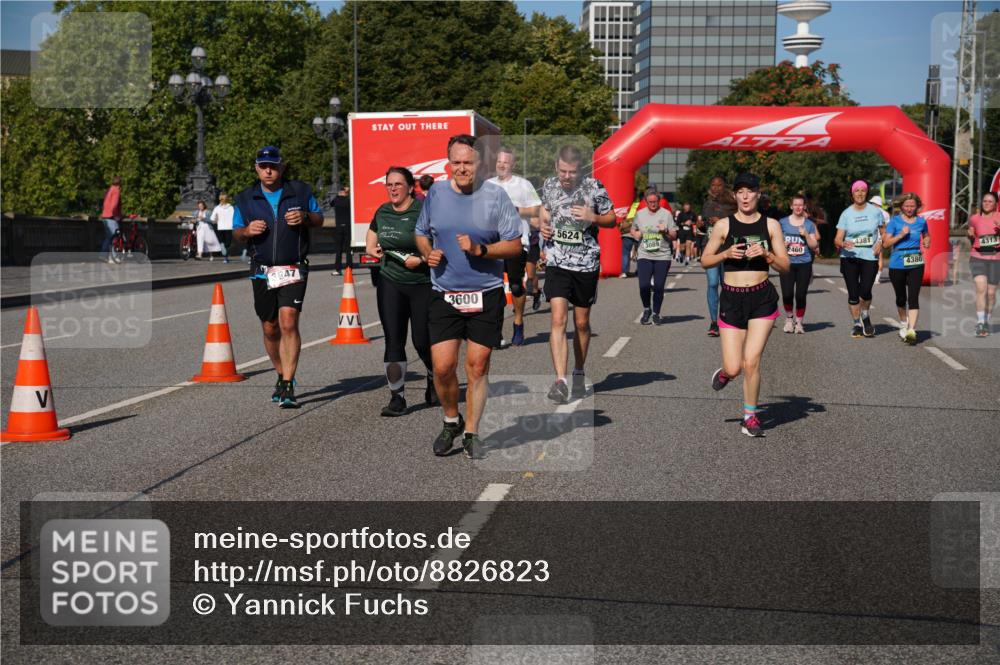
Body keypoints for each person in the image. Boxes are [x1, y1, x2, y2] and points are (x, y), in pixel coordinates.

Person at [415, 134, 522, 458]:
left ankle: (472, 432)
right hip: (444, 292)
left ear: (480, 164)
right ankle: (452, 420)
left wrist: (482, 249)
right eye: (456, 163)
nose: (462, 169)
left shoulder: (495, 196)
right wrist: (429, 252)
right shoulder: (436, 193)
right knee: (443, 367)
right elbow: (421, 233)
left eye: (468, 162)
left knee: (477, 365)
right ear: (449, 164)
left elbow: (515, 245)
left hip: (485, 293)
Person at [232, 146, 323, 408]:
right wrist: (247, 231)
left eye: (273, 165)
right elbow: (236, 233)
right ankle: (281, 373)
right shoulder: (246, 198)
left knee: (288, 322)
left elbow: (319, 219)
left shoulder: (301, 191)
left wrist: (305, 216)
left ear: (282, 167)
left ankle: (288, 383)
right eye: (263, 166)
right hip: (262, 271)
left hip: (293, 267)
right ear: (256, 168)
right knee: (270, 327)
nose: (268, 170)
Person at [701, 173, 790, 438]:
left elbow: (785, 266)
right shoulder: (724, 226)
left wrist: (767, 254)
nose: (745, 196)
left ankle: (749, 417)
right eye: (740, 192)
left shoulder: (771, 225)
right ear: (735, 196)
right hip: (731, 298)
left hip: (761, 297)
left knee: (751, 362)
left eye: (750, 191)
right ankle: (727, 374)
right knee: (734, 367)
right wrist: (725, 254)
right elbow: (705, 260)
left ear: (758, 194)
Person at [538, 145, 616, 403]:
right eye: (563, 171)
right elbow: (545, 210)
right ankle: (560, 381)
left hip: (585, 263)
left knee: (581, 323)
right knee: (558, 319)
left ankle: (579, 371)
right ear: (556, 168)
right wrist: (543, 227)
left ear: (580, 170)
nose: (567, 177)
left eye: (572, 172)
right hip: (557, 261)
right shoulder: (549, 185)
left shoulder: (594, 187)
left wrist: (591, 215)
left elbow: (612, 219)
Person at [366, 166, 437, 415]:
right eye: (389, 184)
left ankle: (433, 376)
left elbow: (439, 243)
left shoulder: (423, 210)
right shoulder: (383, 211)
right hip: (390, 280)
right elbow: (373, 231)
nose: (393, 188)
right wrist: (370, 247)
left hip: (422, 283)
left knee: (421, 340)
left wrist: (421, 258)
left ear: (410, 186)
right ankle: (397, 397)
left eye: (397, 184)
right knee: (393, 340)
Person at [487, 147, 542, 346]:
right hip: (493, 242)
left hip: (517, 242)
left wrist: (517, 209)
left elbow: (538, 209)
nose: (501, 165)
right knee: (493, 289)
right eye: (499, 162)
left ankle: (518, 322)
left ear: (513, 165)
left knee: (516, 285)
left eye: (506, 162)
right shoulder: (487, 185)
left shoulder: (523, 185)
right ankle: (496, 330)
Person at [835, 180, 885, 338]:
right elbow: (837, 239)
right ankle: (857, 323)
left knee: (866, 291)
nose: (860, 193)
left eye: (863, 190)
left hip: (869, 257)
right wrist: (843, 243)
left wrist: (881, 243)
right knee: (853, 294)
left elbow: (885, 232)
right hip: (849, 257)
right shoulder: (846, 213)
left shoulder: (876, 212)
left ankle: (865, 315)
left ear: (866, 193)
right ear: (852, 194)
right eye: (857, 190)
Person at [882, 192, 931, 344]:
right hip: (897, 262)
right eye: (907, 206)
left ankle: (911, 329)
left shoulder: (921, 222)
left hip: (916, 262)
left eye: (912, 206)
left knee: (914, 297)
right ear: (902, 207)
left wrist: (927, 241)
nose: (910, 208)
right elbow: (886, 244)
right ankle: (904, 323)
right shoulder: (895, 222)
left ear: (917, 207)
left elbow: (927, 235)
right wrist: (901, 235)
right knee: (901, 298)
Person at [630, 189, 677, 324]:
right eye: (650, 202)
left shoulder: (666, 214)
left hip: (662, 255)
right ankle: (646, 309)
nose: (653, 204)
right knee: (644, 285)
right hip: (644, 254)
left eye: (655, 202)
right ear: (646, 202)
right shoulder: (640, 214)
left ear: (659, 201)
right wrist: (635, 234)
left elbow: (674, 235)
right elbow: (632, 229)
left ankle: (656, 312)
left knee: (658, 286)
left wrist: (666, 231)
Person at [778, 194, 820, 333]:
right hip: (787, 263)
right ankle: (789, 319)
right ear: (791, 206)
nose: (798, 207)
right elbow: (775, 242)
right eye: (795, 204)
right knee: (787, 294)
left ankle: (799, 322)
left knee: (801, 295)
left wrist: (806, 235)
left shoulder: (809, 224)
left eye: (800, 205)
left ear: (804, 207)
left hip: (804, 263)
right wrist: (782, 244)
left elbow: (814, 245)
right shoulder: (782, 223)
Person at [701, 176, 737, 336]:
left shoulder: (732, 204)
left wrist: (721, 221)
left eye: (719, 185)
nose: (715, 188)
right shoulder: (707, 203)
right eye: (713, 185)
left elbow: (739, 222)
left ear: (724, 186)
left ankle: (727, 317)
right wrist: (701, 224)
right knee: (713, 283)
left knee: (727, 285)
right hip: (710, 249)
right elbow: (704, 225)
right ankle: (714, 322)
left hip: (728, 249)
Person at [967, 191, 1000, 337]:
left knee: (991, 293)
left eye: (990, 201)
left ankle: (986, 320)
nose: (986, 204)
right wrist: (969, 235)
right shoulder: (974, 218)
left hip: (996, 259)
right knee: (981, 289)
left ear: (995, 204)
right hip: (978, 256)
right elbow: (972, 237)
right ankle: (980, 323)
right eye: (985, 201)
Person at [331, 184, 353, 276]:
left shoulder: (336, 200)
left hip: (339, 227)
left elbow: (330, 203)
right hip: (348, 226)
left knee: (338, 249)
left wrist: (338, 195)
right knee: (348, 249)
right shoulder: (349, 201)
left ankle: (338, 269)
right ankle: (349, 269)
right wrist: (347, 193)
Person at [100, 176, 122, 263]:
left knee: (108, 237)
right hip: (111, 217)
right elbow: (114, 205)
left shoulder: (109, 190)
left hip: (105, 216)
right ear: (120, 183)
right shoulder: (116, 191)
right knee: (114, 237)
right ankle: (113, 257)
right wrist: (116, 215)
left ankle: (105, 256)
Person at [869, 194, 891, 283]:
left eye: (872, 203)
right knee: (880, 257)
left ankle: (870, 276)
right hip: (882, 237)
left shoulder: (870, 212)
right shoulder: (886, 214)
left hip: (871, 237)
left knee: (869, 257)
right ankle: (877, 278)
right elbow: (887, 227)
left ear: (875, 203)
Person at [619, 195, 641, 278]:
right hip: (639, 232)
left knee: (625, 253)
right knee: (641, 253)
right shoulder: (643, 206)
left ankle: (624, 272)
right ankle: (639, 271)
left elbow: (625, 217)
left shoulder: (631, 206)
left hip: (627, 232)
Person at [211, 193, 235, 264]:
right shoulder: (231, 208)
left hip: (220, 227)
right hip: (229, 227)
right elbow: (234, 217)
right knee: (228, 243)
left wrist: (216, 219)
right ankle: (226, 258)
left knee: (222, 241)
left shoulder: (217, 208)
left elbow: (212, 218)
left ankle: (222, 246)